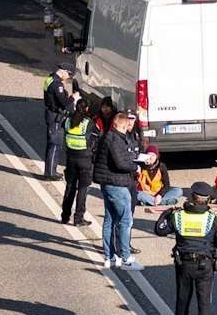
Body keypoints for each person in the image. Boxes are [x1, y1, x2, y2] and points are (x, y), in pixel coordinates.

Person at [153, 181, 217, 315]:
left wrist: (166, 213)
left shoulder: (178, 216)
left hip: (184, 265)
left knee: (183, 301)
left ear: (192, 198)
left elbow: (160, 230)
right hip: (205, 266)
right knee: (204, 306)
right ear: (207, 199)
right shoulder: (213, 218)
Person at [96, 111, 143, 270]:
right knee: (126, 220)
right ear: (123, 125)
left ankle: (109, 257)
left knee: (109, 220)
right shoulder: (116, 140)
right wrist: (135, 167)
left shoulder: (107, 137)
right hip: (117, 184)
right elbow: (121, 163)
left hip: (107, 183)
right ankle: (126, 258)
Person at [60, 95, 99, 227]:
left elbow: (62, 125)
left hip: (71, 158)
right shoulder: (88, 123)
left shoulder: (68, 120)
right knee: (82, 189)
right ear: (86, 108)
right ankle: (78, 218)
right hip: (85, 160)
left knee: (70, 187)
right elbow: (98, 134)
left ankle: (65, 216)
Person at [40, 68, 75, 181]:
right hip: (55, 116)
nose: (68, 77)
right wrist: (72, 98)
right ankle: (51, 173)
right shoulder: (57, 84)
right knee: (55, 144)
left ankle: (49, 171)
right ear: (63, 71)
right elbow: (63, 101)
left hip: (51, 113)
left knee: (52, 144)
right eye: (68, 74)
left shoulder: (50, 79)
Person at [136, 145, 182, 210]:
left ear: (157, 157)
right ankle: (163, 202)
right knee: (137, 194)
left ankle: (151, 202)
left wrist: (160, 195)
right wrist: (137, 170)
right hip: (145, 193)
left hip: (158, 192)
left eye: (153, 155)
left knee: (178, 191)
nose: (151, 158)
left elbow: (166, 184)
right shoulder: (140, 166)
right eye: (149, 155)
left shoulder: (161, 166)